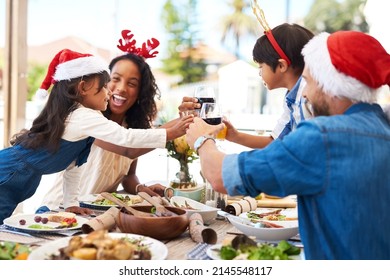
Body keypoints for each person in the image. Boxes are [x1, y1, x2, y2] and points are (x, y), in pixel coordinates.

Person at [186, 30, 390, 259]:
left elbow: (219, 176)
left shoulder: (322, 136)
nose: (306, 95)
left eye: (309, 83)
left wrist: (202, 140)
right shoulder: (382, 127)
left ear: (328, 85)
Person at [0, 48, 192, 224]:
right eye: (106, 86)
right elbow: (127, 143)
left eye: (132, 83)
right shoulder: (86, 118)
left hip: (28, 178)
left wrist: (70, 204)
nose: (112, 91)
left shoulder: (90, 124)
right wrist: (173, 131)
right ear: (83, 88)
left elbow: (74, 168)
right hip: (13, 173)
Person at [39, 52, 176, 212]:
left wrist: (140, 188)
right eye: (115, 79)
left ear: (141, 92)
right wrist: (181, 125)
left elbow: (128, 176)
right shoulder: (89, 118)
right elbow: (129, 149)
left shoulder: (132, 126)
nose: (121, 88)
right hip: (59, 210)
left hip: (94, 214)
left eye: (132, 84)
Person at [180, 23, 314, 148]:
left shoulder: (308, 99)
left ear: (281, 65)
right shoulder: (292, 98)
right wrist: (234, 136)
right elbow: (275, 142)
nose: (259, 73)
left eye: (261, 66)